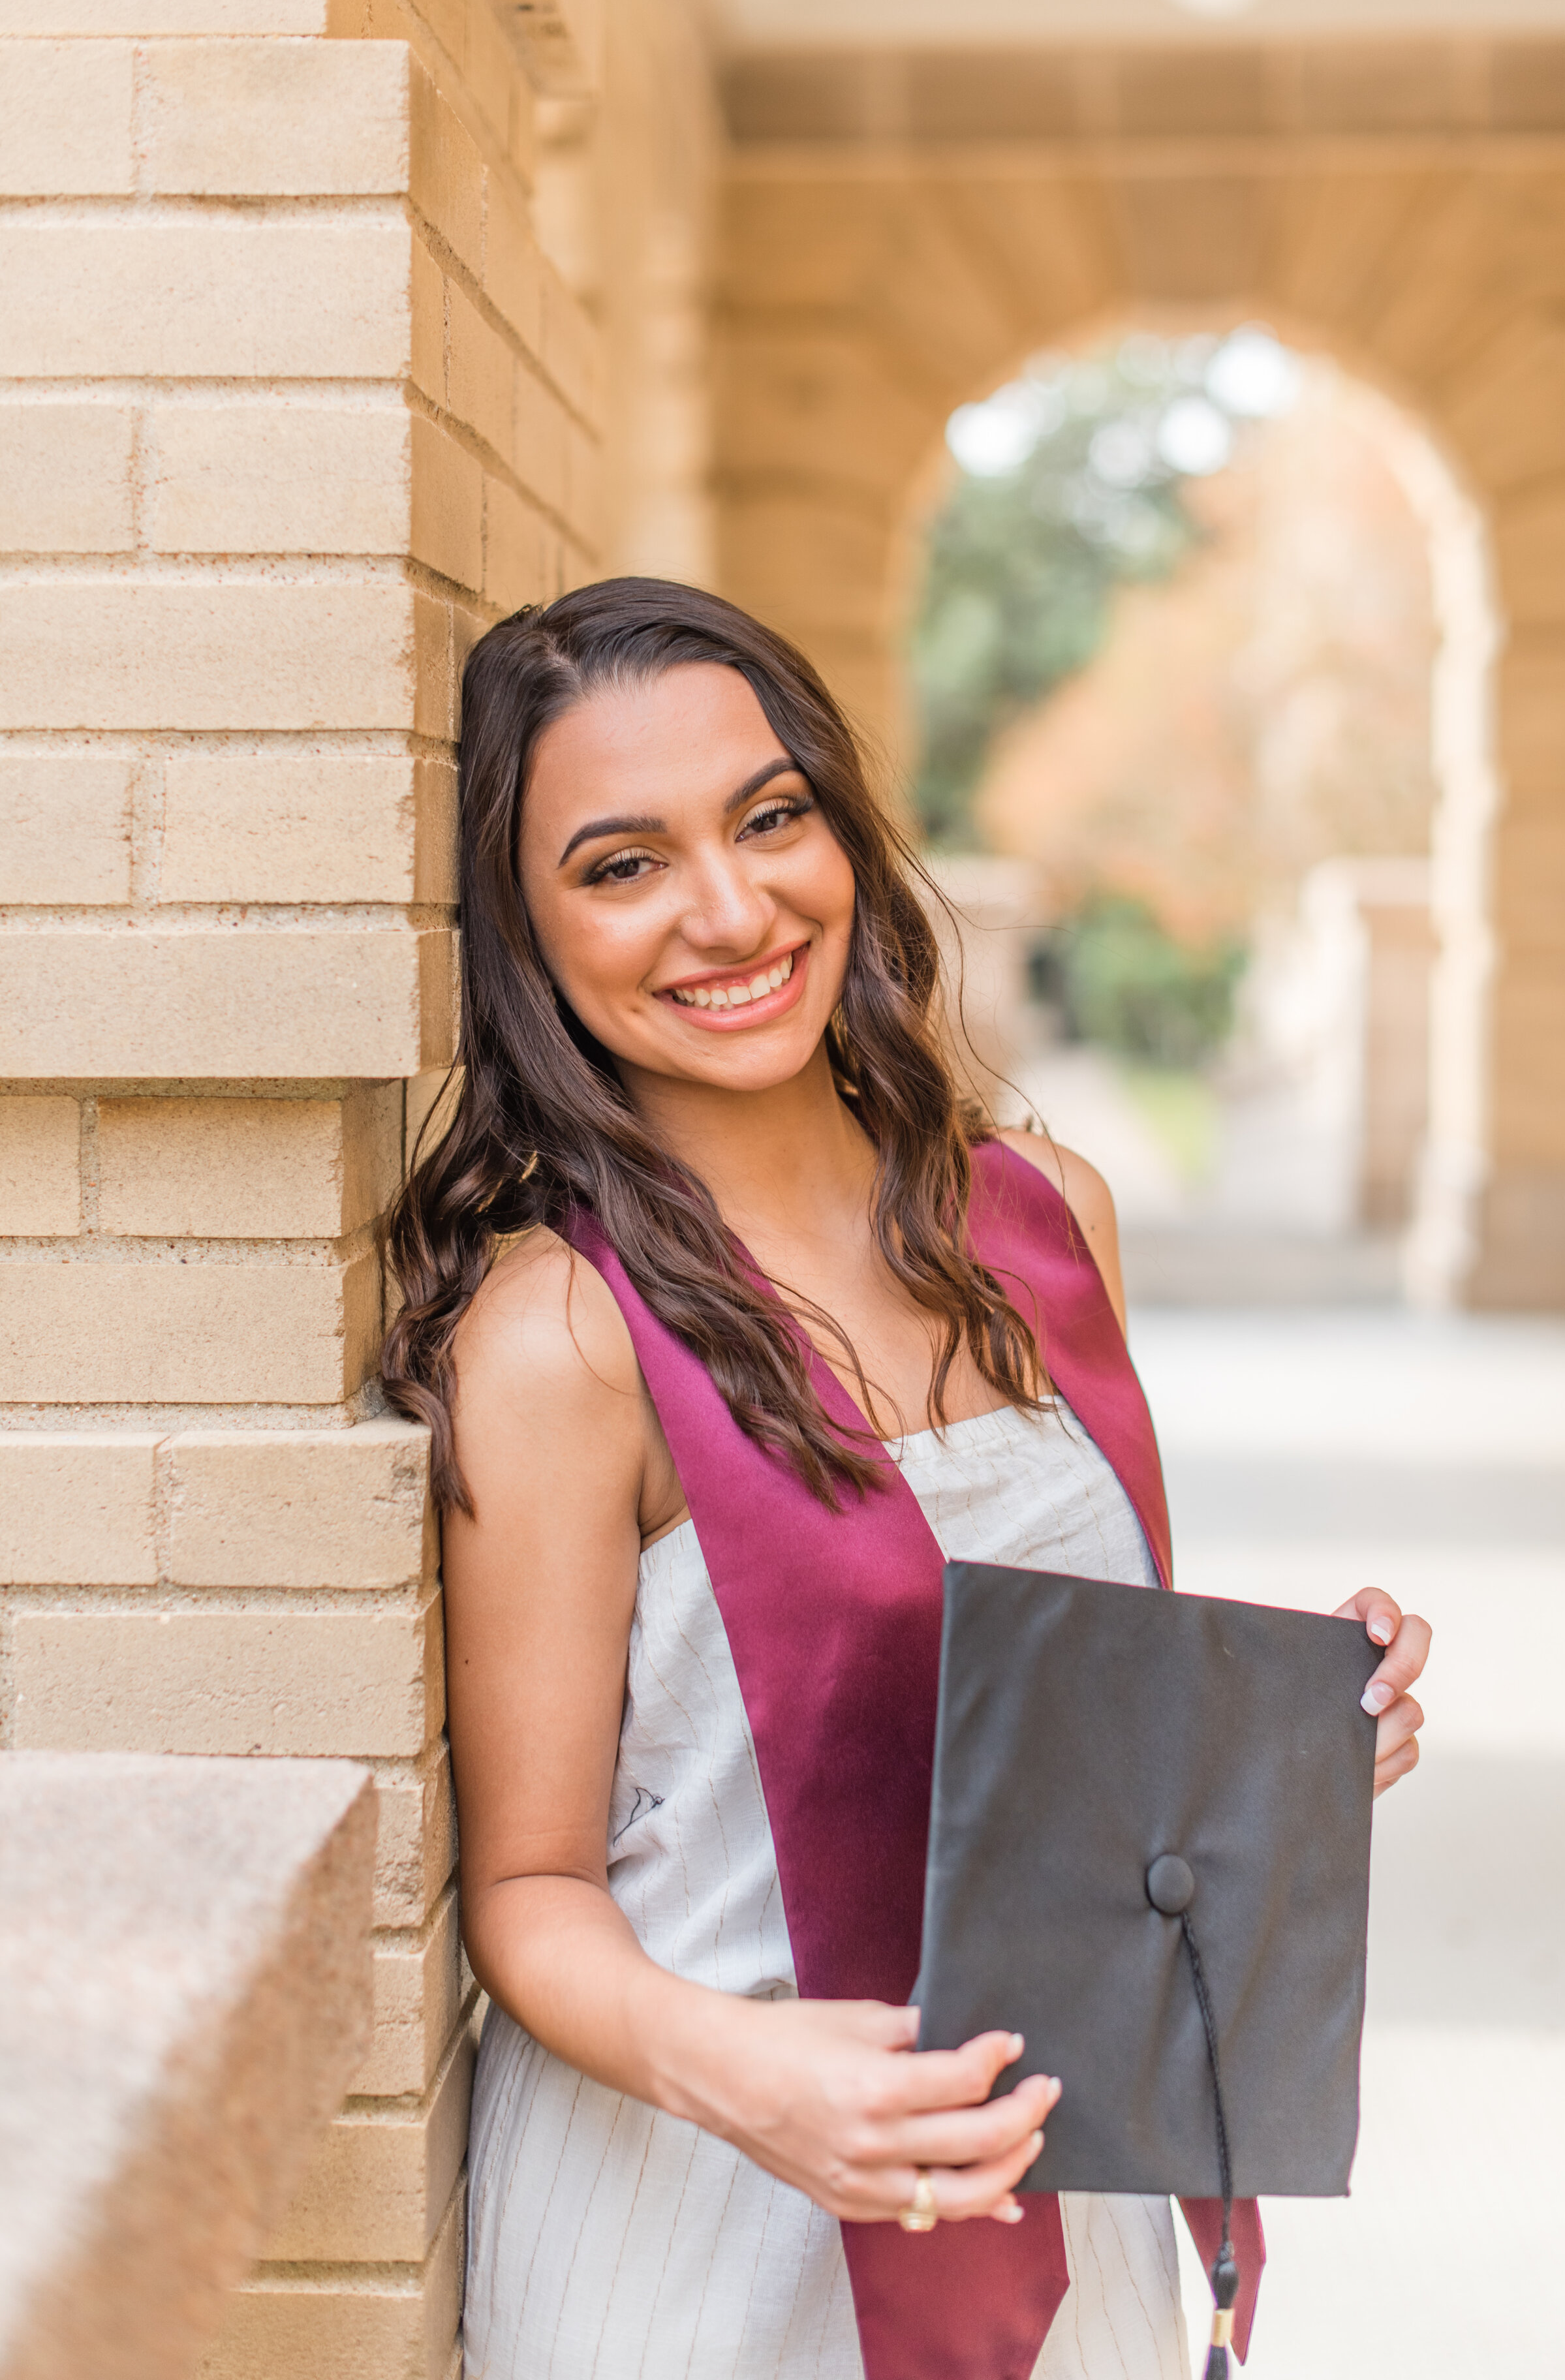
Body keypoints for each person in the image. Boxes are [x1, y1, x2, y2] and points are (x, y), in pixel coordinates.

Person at [384, 579, 1430, 2380]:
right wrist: (753, 2076)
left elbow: (1038, 1725)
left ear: (843, 827)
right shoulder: (564, 1339)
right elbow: (528, 1889)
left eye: (769, 817)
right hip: (711, 2209)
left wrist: (1272, 1740)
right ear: (524, 931)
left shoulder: (1039, 1218)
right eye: (622, 865)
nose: (731, 909)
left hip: (1044, 2181)